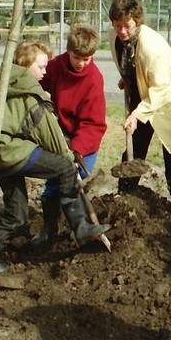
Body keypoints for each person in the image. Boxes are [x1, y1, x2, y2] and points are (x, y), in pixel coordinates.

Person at [0, 41, 110, 272]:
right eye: (41, 67)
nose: (46, 72)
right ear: (26, 66)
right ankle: (81, 227)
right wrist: (71, 162)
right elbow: (51, 138)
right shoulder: (31, 96)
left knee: (16, 215)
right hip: (13, 152)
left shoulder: (8, 85)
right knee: (64, 167)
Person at [108, 0, 171, 205]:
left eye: (127, 26)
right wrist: (127, 77)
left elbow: (161, 87)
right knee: (135, 144)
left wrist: (137, 114)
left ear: (137, 21)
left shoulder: (151, 46)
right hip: (145, 91)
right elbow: (129, 61)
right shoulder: (114, 37)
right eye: (118, 25)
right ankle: (125, 197)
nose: (122, 31)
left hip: (170, 96)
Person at [36, 24, 106, 245]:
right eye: (77, 58)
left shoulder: (94, 79)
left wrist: (77, 151)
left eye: (87, 58)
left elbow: (93, 123)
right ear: (68, 51)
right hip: (57, 135)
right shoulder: (55, 67)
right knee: (53, 182)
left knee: (76, 179)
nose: (81, 63)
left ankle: (79, 228)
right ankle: (49, 226)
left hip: (83, 139)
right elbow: (37, 85)